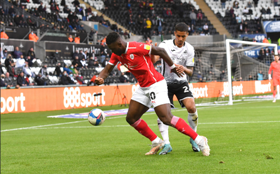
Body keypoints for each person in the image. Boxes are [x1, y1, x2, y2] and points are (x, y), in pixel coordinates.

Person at [94, 32, 210, 156]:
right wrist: (100, 78)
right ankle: (156, 141)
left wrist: (172, 66)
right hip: (143, 87)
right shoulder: (116, 54)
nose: (112, 51)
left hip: (155, 84)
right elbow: (107, 70)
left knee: (166, 118)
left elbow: (160, 51)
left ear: (119, 43)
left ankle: (199, 140)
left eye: (112, 48)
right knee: (131, 118)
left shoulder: (137, 47)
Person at [152, 23, 201, 155]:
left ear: (187, 35)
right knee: (163, 114)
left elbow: (190, 72)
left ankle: (193, 137)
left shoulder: (190, 49)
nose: (180, 39)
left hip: (181, 82)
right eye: (178, 36)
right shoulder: (165, 45)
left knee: (191, 107)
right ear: (175, 33)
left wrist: (183, 68)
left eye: (183, 36)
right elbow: (154, 60)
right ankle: (166, 143)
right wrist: (152, 50)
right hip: (164, 83)